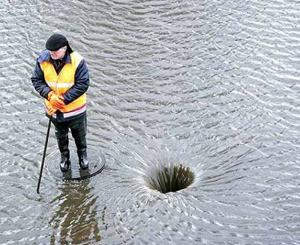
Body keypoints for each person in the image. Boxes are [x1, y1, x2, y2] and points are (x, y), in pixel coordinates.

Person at [31, 34, 90, 172]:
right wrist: (49, 95)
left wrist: (63, 100)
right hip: (54, 111)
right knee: (60, 135)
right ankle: (65, 158)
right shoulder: (42, 60)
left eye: (55, 51)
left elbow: (83, 84)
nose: (51, 54)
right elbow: (36, 80)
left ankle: (83, 155)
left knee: (79, 134)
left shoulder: (78, 61)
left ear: (65, 48)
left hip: (75, 110)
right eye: (50, 51)